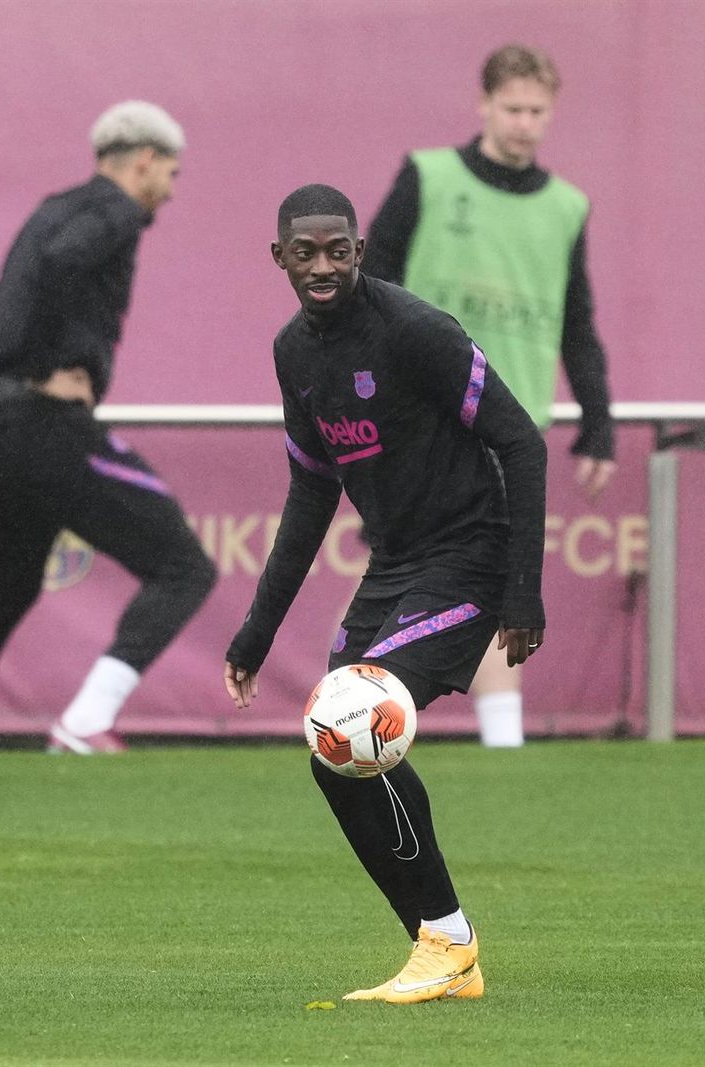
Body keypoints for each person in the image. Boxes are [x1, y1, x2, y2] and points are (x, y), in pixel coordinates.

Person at [223, 184, 547, 1002]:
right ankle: (442, 945)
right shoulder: (293, 353)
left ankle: (448, 945)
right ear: (279, 257)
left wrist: (523, 591)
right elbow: (311, 492)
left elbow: (522, 440)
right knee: (335, 755)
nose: (323, 266)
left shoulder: (414, 330)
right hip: (396, 563)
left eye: (339, 250)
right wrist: (258, 630)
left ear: (360, 251)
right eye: (306, 253)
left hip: (471, 553)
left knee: (352, 722)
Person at [0, 101, 216, 756]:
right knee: (184, 568)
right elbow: (64, 264)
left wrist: (4, 389)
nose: (170, 192)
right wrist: (45, 372)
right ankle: (84, 722)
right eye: (171, 174)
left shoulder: (49, 212)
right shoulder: (117, 212)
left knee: (3, 593)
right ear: (144, 161)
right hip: (46, 430)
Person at [363, 42, 614, 748]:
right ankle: (349, 702)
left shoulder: (566, 206)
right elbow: (369, 287)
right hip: (423, 417)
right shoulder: (429, 176)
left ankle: (501, 739)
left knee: (494, 571)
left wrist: (598, 425)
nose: (525, 123)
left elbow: (577, 324)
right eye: (513, 108)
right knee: (397, 568)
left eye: (537, 111)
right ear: (483, 105)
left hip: (510, 428)